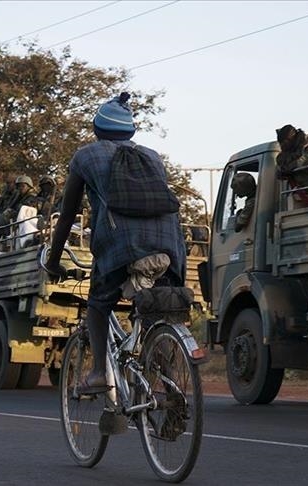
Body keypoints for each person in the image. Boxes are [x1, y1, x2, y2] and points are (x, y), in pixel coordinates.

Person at [43, 93, 186, 394]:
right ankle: (171, 383)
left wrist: (54, 261)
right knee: (153, 313)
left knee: (98, 304)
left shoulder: (85, 156)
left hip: (121, 248)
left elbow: (67, 214)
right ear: (131, 131)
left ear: (97, 129)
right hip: (168, 247)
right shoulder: (152, 157)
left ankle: (97, 373)